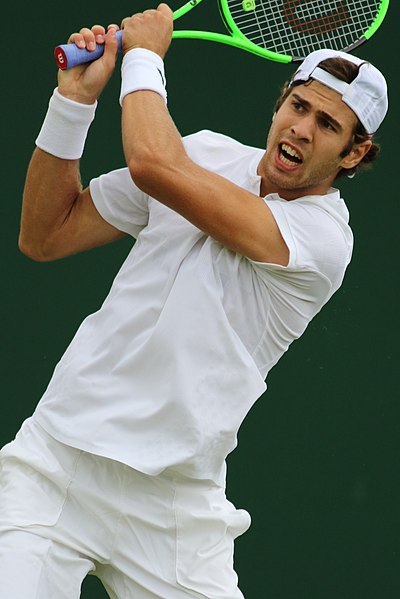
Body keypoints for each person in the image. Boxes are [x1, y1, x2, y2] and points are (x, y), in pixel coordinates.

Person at [0, 4, 388, 598]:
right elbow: (46, 234)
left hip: (175, 507)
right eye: (299, 106)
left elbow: (156, 165)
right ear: (281, 101)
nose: (302, 129)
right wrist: (73, 104)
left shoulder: (325, 240)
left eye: (328, 126)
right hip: (58, 463)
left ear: (354, 154)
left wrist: (147, 59)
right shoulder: (204, 153)